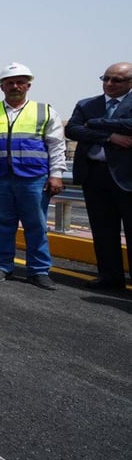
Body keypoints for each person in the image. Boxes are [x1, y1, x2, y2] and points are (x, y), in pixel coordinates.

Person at [0, 62, 66, 290]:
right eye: (10, 82)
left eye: (20, 82)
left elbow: (56, 145)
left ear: (28, 85)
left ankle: (39, 270)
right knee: (2, 223)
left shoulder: (44, 111)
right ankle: (3, 265)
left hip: (33, 178)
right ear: (1, 86)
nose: (15, 86)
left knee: (36, 224)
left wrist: (56, 174)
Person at [65, 62, 132, 291]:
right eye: (106, 78)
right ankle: (110, 276)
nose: (109, 84)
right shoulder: (87, 104)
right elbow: (72, 130)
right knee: (103, 229)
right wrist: (110, 137)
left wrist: (95, 124)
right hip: (94, 174)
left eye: (117, 80)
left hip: (127, 177)